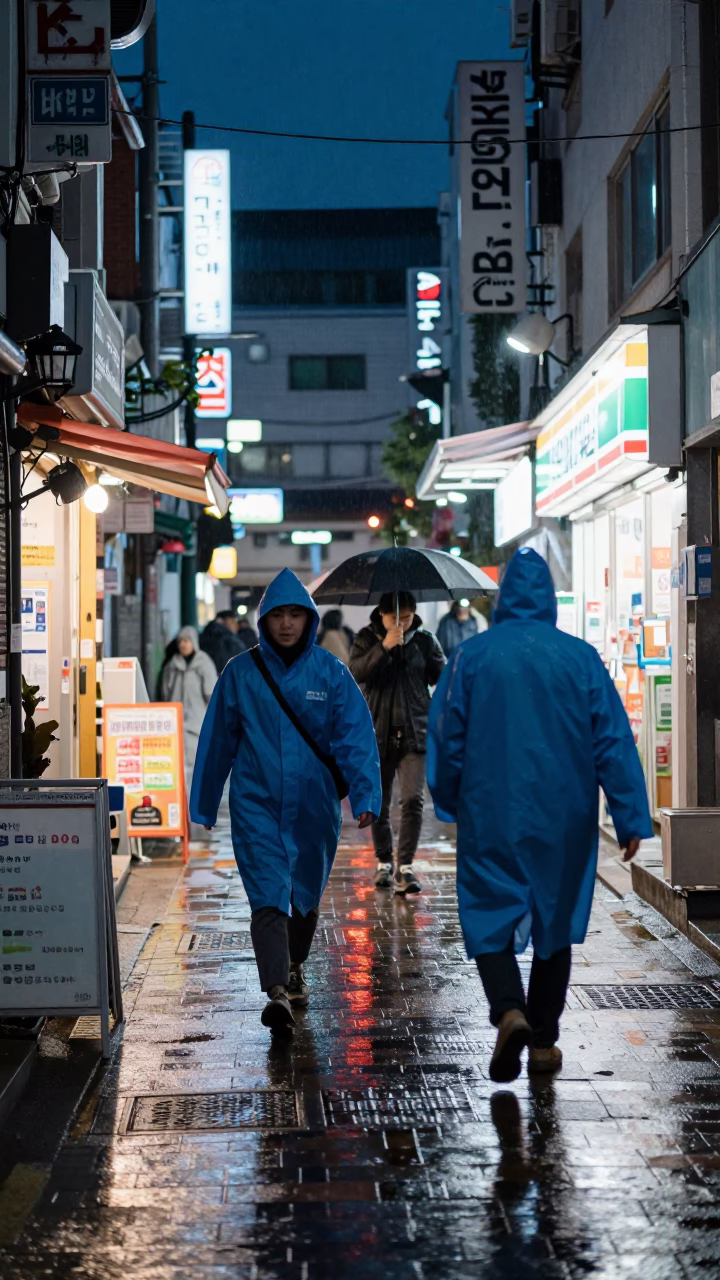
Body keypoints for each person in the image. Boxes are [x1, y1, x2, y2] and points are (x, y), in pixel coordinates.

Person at [428, 548, 653, 1084]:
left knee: (487, 912)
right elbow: (613, 742)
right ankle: (545, 1040)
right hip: (565, 813)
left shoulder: (472, 657)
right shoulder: (580, 658)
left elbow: (446, 736)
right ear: (550, 597)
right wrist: (629, 817)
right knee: (554, 921)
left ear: (503, 597)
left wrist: (448, 798)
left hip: (491, 808)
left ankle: (509, 1009)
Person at [190, 569, 381, 1037]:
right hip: (256, 804)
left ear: (309, 619)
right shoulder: (240, 674)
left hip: (315, 808)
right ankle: (276, 990)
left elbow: (355, 737)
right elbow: (217, 742)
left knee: (306, 893)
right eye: (279, 615)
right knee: (268, 893)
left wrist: (366, 795)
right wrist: (204, 802)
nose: (288, 624)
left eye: (297, 614)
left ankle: (294, 965)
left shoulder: (331, 673)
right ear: (265, 619)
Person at [349, 590, 445, 895]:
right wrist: (385, 647)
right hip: (377, 732)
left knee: (413, 800)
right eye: (394, 618)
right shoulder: (366, 638)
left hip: (415, 733)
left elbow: (442, 675)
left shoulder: (425, 640)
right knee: (379, 802)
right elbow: (355, 673)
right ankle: (383, 862)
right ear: (381, 614)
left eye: (405, 617)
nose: (400, 623)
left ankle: (404, 865)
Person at [160, 627, 217, 787]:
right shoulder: (172, 665)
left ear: (194, 642)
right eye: (180, 641)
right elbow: (165, 691)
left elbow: (211, 693)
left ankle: (194, 800)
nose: (183, 645)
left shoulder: (204, 663)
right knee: (177, 765)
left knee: (196, 763)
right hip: (175, 723)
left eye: (186, 641)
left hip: (197, 723)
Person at [200, 609, 248, 674]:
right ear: (220, 621)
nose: (235, 625)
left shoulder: (207, 635)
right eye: (232, 622)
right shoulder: (225, 638)